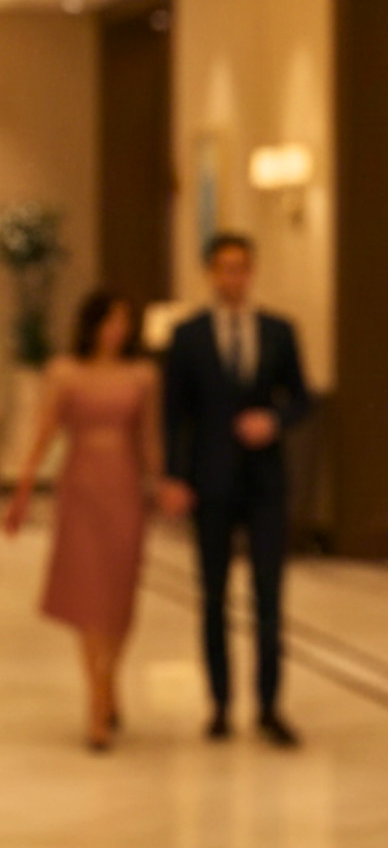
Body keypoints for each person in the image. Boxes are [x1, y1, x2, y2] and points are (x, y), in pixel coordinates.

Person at [159, 231, 311, 747]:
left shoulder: (278, 332)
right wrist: (175, 477)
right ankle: (220, 703)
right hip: (211, 480)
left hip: (265, 482)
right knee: (214, 594)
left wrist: (273, 419)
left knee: (270, 595)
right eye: (225, 267)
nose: (233, 276)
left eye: (242, 267)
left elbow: (301, 399)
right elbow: (173, 414)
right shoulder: (188, 336)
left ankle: (269, 704)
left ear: (251, 272)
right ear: (210, 273)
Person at [4, 290, 161, 751]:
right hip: (82, 490)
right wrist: (22, 492)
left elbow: (149, 436)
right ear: (91, 324)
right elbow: (44, 431)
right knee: (90, 593)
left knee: (120, 593)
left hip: (126, 488)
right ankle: (96, 700)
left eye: (124, 321)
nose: (118, 330)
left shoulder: (142, 375)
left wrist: (160, 482)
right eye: (110, 320)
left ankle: (109, 680)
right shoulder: (65, 372)